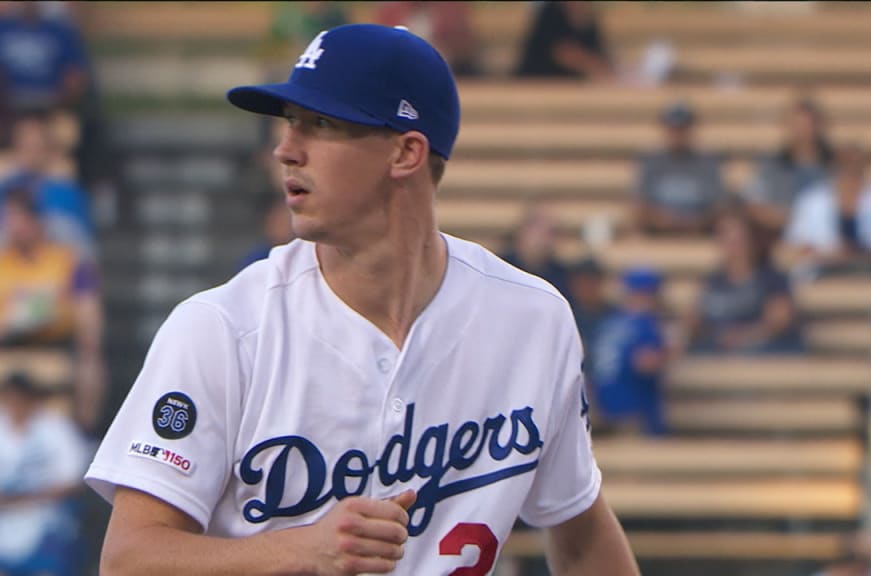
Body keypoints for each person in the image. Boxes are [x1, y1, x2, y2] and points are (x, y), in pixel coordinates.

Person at [85, 24, 637, 576]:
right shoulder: (222, 329)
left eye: (320, 124)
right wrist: (300, 551)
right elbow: (129, 560)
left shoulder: (532, 321)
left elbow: (580, 528)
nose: (285, 150)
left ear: (405, 152)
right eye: (288, 124)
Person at [0, 189, 105, 434]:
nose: (14, 226)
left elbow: (87, 309)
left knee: (91, 360)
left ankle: (84, 433)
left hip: (55, 343)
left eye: (20, 218)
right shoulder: (3, 262)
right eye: (9, 218)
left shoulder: (68, 260)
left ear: (37, 221)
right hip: (9, 343)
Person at [0, 371, 90, 576]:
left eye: (20, 398)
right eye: (9, 398)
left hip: (46, 516)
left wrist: (26, 498)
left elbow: (74, 481)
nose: (15, 405)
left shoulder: (56, 427)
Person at [784, 143, 871, 278]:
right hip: (821, 275)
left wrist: (862, 254)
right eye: (844, 164)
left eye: (856, 164)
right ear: (833, 167)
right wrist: (829, 253)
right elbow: (795, 245)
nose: (850, 169)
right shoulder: (811, 201)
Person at [686, 206, 804, 354]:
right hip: (721, 352)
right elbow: (695, 318)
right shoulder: (712, 281)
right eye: (725, 236)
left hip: (763, 353)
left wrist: (743, 337)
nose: (732, 243)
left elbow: (779, 320)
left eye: (738, 237)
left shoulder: (772, 278)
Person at [0, 111, 95, 261]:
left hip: (55, 273)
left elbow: (85, 248)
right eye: (26, 146)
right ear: (15, 148)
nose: (32, 153)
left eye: (38, 146)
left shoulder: (69, 193)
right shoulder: (4, 190)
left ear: (50, 150)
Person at [590, 267, 669, 436]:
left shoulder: (608, 323)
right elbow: (645, 364)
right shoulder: (645, 324)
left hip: (600, 411)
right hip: (633, 415)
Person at [632, 102, 726, 237]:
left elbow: (720, 207)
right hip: (657, 236)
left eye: (682, 128)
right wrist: (667, 220)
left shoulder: (708, 163)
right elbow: (639, 207)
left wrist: (694, 222)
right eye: (673, 128)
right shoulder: (651, 163)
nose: (677, 134)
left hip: (701, 235)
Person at [744, 97, 834, 235]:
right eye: (797, 125)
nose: (803, 131)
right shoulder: (770, 166)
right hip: (779, 238)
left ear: (819, 126)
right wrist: (795, 220)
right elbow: (754, 206)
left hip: (826, 242)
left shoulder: (836, 168)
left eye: (807, 125)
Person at [375, 2, 481, 77]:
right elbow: (384, 43)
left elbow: (463, 45)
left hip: (449, 68)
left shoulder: (451, 8)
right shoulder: (392, 10)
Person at [515, 1, 613, 80]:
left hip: (571, 89)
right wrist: (594, 66)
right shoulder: (551, 13)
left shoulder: (588, 19)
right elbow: (562, 52)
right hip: (536, 84)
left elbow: (599, 53)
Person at [500, 205, 573, 301]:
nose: (547, 240)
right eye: (542, 231)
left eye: (554, 232)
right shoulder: (501, 267)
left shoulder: (563, 276)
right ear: (524, 230)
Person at [565, 256, 615, 387]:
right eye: (582, 281)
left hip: (609, 386)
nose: (587, 287)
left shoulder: (615, 317)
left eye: (592, 281)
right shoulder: (565, 316)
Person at [237, 194, 294, 270]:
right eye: (277, 221)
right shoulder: (256, 259)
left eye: (287, 220)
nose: (283, 226)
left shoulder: (306, 254)